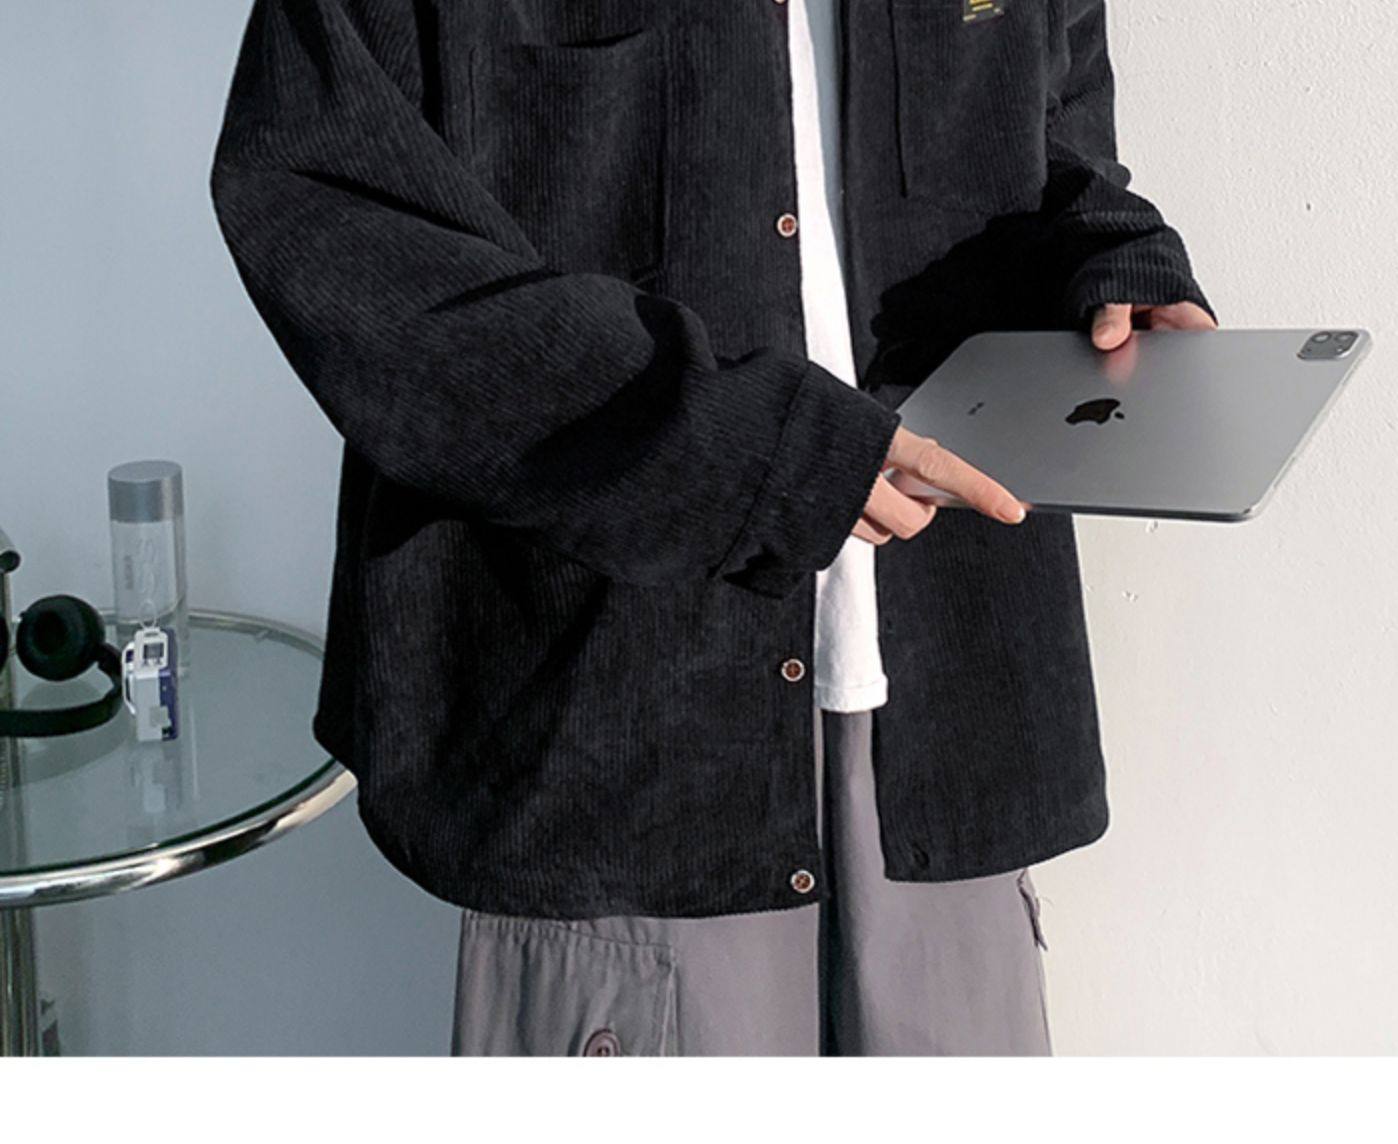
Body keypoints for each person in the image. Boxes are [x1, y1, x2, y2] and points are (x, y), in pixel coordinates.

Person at [210, 0, 1215, 1056]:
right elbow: (327, 208)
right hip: (620, 713)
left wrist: (1112, 257)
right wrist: (740, 448)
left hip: (949, 700)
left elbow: (1052, 124)